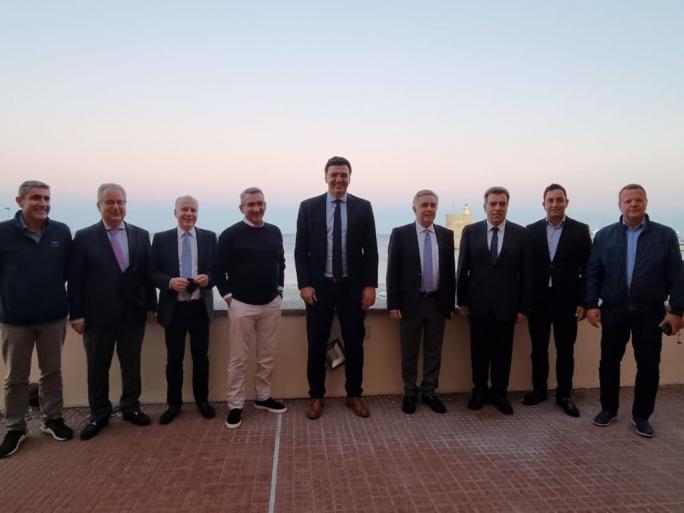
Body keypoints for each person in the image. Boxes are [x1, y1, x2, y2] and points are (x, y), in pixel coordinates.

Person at [586, 184, 683, 438]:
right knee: (608, 362)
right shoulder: (605, 236)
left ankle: (642, 416)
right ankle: (608, 409)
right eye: (628, 200)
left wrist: (677, 310)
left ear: (646, 203)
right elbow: (594, 272)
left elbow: (677, 274)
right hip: (614, 309)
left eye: (638, 200)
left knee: (649, 365)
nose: (633, 204)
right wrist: (591, 304)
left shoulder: (665, 236)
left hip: (650, 311)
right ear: (619, 205)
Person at [68, 183, 157, 440]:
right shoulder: (84, 237)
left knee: (132, 365)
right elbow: (75, 280)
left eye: (120, 202)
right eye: (110, 202)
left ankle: (131, 407)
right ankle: (99, 413)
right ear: (99, 206)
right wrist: (76, 315)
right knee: (97, 368)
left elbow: (147, 275)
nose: (116, 207)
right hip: (97, 317)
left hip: (133, 315)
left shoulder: (141, 235)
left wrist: (151, 306)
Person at [294, 156, 378, 419]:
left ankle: (354, 394)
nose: (339, 179)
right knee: (316, 344)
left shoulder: (363, 207)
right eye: (334, 175)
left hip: (352, 289)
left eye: (344, 175)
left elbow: (371, 250)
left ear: (350, 178)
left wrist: (370, 285)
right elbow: (300, 250)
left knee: (355, 344)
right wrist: (305, 284)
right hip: (319, 288)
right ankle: (316, 396)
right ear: (326, 177)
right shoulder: (309, 207)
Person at [0, 181, 73, 458]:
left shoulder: (61, 232)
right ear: (20, 201)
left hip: (53, 317)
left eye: (46, 198)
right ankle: (15, 428)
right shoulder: (3, 232)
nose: (43, 203)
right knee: (15, 377)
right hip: (15, 320)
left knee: (52, 372)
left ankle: (52, 419)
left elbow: (68, 272)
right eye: (36, 198)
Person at [214, 187, 287, 429]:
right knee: (238, 359)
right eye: (250, 205)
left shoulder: (274, 232)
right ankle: (235, 405)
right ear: (241, 208)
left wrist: (279, 290)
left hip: (270, 304)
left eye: (259, 204)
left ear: (265, 205)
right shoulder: (230, 235)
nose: (256, 208)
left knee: (267, 356)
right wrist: (228, 297)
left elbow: (281, 263)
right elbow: (218, 269)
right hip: (242, 305)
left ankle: (263, 398)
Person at [457, 186, 531, 415]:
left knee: (503, 354)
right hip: (477, 306)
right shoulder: (471, 231)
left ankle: (500, 394)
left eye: (502, 204)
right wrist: (462, 300)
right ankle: (479, 392)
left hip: (507, 307)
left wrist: (523, 308)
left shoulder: (521, 234)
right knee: (478, 353)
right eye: (493, 204)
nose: (497, 208)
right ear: (485, 206)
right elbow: (463, 269)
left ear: (507, 206)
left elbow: (526, 274)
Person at [522, 184, 592, 417]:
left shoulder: (580, 230)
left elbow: (588, 269)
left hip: (567, 301)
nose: (554, 204)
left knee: (565, 350)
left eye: (559, 200)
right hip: (538, 301)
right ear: (543, 204)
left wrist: (584, 301)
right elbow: (524, 270)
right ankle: (539, 390)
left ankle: (564, 394)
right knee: (538, 349)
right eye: (550, 200)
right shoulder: (530, 231)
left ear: (566, 202)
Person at [386, 190, 455, 414]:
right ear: (414, 208)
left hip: (437, 303)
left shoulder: (446, 235)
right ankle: (410, 392)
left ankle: (429, 392)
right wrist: (393, 304)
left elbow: (449, 273)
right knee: (409, 351)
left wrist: (450, 304)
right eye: (424, 205)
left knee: (434, 352)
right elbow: (392, 271)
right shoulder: (400, 234)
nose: (429, 209)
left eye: (433, 205)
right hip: (410, 304)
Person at [150, 195, 217, 425]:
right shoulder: (161, 239)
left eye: (193, 210)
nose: (189, 214)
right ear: (175, 212)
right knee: (174, 360)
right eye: (184, 209)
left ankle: (202, 400)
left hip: (199, 307)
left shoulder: (209, 237)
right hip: (174, 309)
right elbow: (151, 273)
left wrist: (208, 279)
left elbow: (218, 270)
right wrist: (169, 282)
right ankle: (174, 404)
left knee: (201, 358)